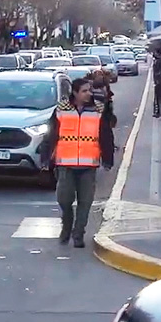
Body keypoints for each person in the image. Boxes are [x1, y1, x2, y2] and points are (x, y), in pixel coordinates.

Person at [42, 77, 115, 248]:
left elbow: (106, 135)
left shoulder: (98, 109)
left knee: (86, 201)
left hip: (88, 164)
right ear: (75, 93)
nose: (89, 93)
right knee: (64, 199)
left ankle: (78, 234)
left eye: (89, 90)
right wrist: (46, 158)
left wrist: (108, 159)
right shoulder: (61, 109)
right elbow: (51, 135)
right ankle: (67, 224)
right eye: (84, 91)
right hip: (65, 164)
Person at [151, 47, 161, 118]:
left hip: (159, 81)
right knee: (158, 98)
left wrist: (157, 80)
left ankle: (158, 112)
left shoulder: (159, 61)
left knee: (158, 98)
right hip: (158, 81)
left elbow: (158, 71)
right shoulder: (159, 60)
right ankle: (158, 111)